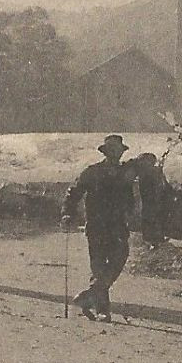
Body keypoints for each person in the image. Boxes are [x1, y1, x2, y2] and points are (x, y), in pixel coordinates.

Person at [62, 134, 136, 321]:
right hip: (96, 226)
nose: (115, 154)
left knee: (120, 257)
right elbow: (74, 191)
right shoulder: (92, 172)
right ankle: (103, 310)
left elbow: (130, 198)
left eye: (118, 151)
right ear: (105, 152)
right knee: (99, 267)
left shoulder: (124, 174)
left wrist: (130, 211)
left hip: (118, 226)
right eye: (111, 151)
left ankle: (90, 296)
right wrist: (68, 213)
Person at [125, 152, 172, 247]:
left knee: (153, 217)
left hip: (154, 199)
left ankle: (153, 238)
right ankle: (153, 239)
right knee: (152, 216)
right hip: (151, 199)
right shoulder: (148, 172)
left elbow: (162, 184)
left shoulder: (147, 172)